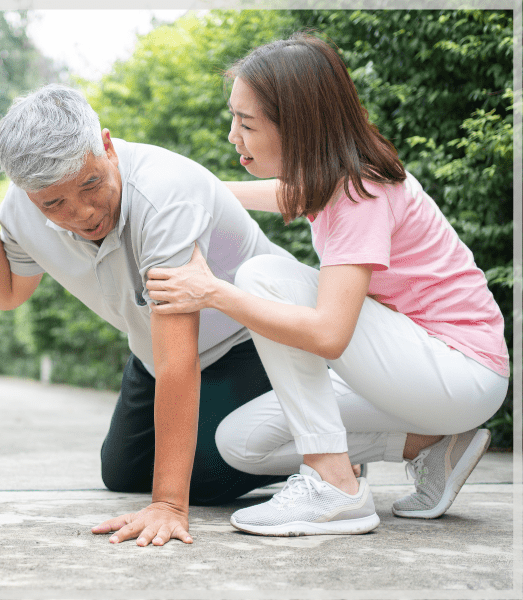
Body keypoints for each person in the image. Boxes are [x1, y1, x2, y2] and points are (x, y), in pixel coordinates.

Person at [146, 33, 509, 537]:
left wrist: (211, 292)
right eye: (234, 118)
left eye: (246, 123)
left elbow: (330, 334)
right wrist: (191, 188)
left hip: (459, 368)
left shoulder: (360, 191)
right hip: (418, 371)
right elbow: (282, 194)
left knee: (262, 277)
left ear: (297, 126)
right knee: (241, 443)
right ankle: (428, 444)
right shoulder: (330, 177)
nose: (234, 136)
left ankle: (333, 486)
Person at [0, 83, 295, 547]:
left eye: (91, 184)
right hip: (152, 352)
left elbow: (179, 360)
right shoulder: (24, 208)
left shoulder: (163, 194)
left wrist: (169, 506)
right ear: (28, 194)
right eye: (54, 203)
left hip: (254, 339)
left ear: (107, 147)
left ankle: (329, 437)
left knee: (202, 482)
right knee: (123, 473)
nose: (83, 212)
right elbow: (7, 293)